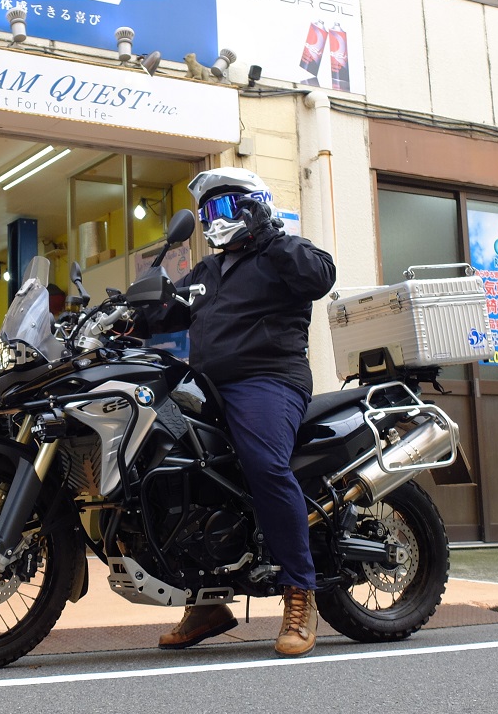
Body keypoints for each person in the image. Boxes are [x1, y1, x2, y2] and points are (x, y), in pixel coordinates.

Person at [139, 166, 336, 658]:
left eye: (225, 206)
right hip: (207, 387)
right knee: (172, 470)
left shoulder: (282, 253)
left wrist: (272, 235)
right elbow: (166, 311)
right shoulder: (207, 272)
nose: (215, 219)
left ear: (255, 207)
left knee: (265, 465)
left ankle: (300, 591)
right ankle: (207, 601)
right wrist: (125, 310)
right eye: (208, 211)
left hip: (268, 379)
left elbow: (320, 276)